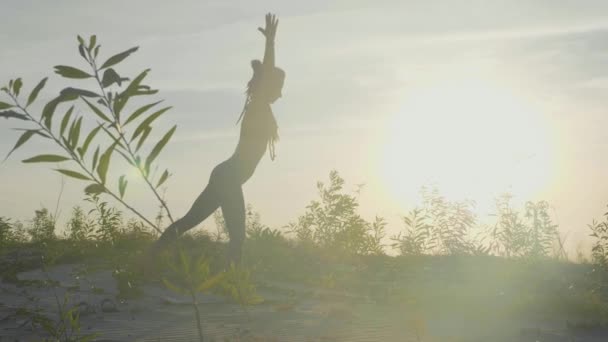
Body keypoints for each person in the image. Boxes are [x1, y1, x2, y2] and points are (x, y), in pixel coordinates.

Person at [146, 13, 284, 266]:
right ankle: (232, 280)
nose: (281, 94)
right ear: (269, 86)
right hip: (229, 176)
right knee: (237, 236)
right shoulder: (258, 105)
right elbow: (266, 75)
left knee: (190, 221)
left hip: (225, 174)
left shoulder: (262, 108)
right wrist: (270, 44)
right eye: (279, 88)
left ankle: (150, 258)